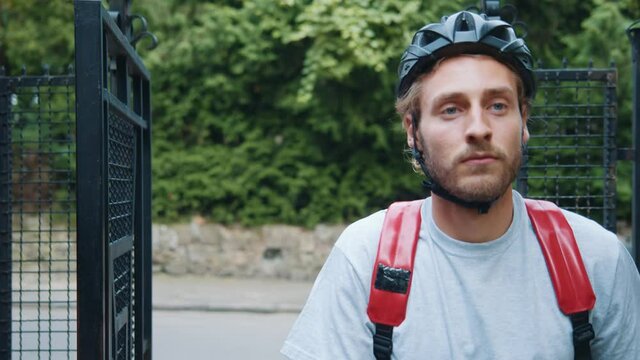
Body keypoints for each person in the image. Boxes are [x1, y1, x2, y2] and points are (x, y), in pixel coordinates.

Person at [281, 10, 640, 360]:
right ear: (413, 132)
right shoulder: (366, 257)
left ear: (524, 120)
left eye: (498, 105)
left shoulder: (596, 260)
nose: (479, 128)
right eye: (451, 109)